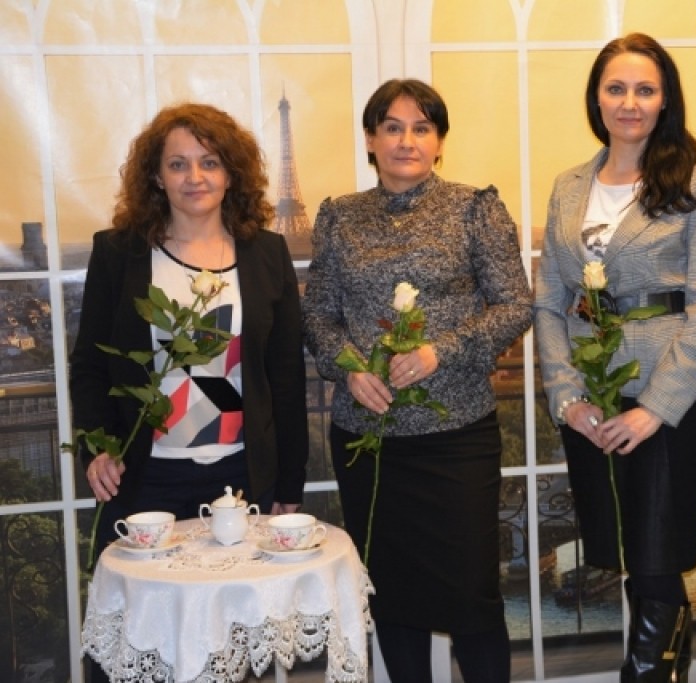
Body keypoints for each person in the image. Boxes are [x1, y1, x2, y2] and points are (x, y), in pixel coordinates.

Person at [302, 79, 531, 683]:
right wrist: (349, 367)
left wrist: (440, 353)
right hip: (368, 441)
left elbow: (515, 305)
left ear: (440, 142)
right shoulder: (338, 216)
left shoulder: (475, 208)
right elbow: (317, 315)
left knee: (473, 599)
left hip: (456, 439)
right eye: (393, 127)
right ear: (370, 140)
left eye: (422, 128)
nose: (407, 140)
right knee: (391, 596)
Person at [534, 33, 696, 681]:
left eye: (645, 89)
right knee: (629, 557)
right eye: (616, 88)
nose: (629, 102)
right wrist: (568, 397)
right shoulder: (569, 185)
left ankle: (643, 673)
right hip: (592, 402)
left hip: (669, 402)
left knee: (656, 558)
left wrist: (654, 408)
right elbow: (549, 303)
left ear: (665, 99)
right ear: (596, 97)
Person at [71, 102, 308, 554]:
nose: (194, 177)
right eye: (178, 164)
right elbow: (90, 365)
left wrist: (290, 481)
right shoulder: (119, 254)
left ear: (231, 174)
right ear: (157, 177)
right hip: (143, 478)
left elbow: (285, 377)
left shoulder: (266, 253)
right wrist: (96, 448)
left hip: (242, 478)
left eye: (210, 163)